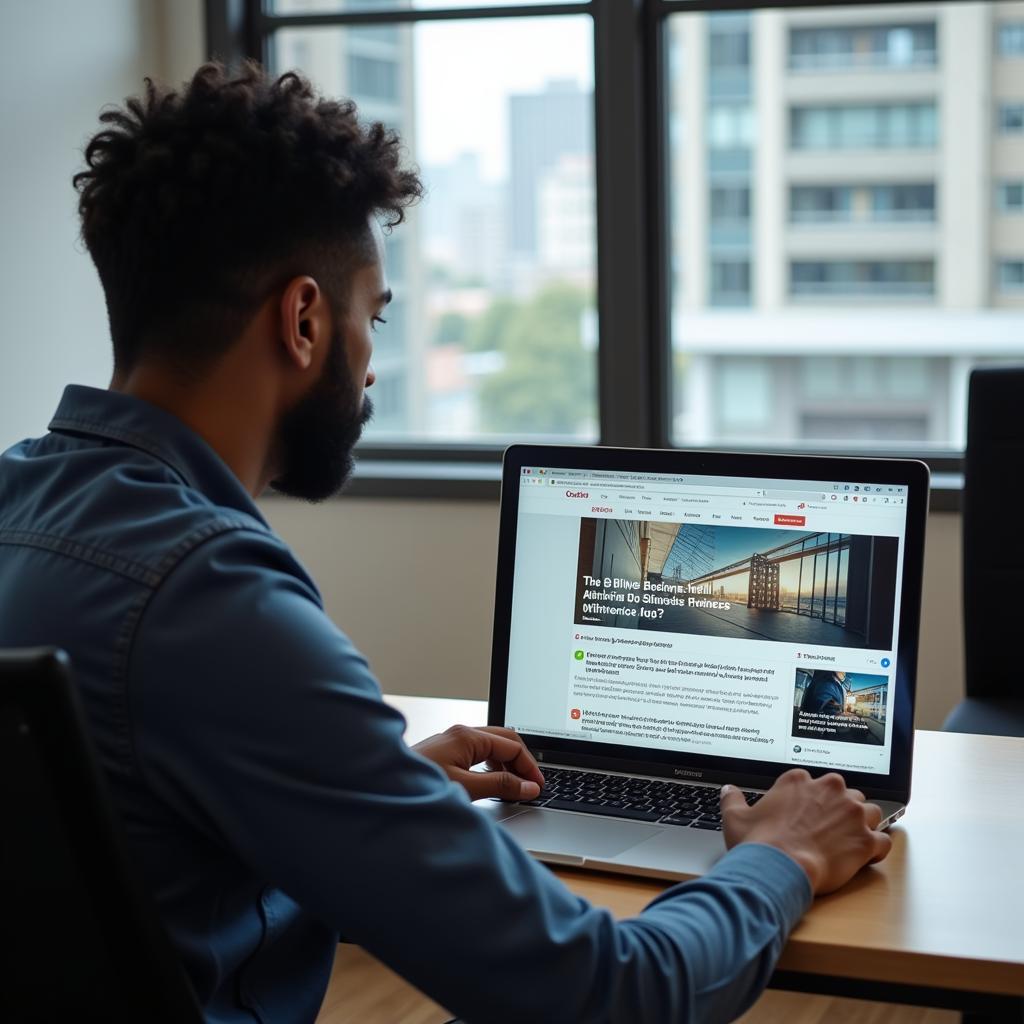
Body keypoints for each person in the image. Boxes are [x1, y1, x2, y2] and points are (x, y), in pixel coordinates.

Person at [0, 63, 891, 1024]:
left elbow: (133, 842)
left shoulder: (22, 502)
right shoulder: (210, 600)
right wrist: (783, 855)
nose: (374, 362)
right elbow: (607, 997)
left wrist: (371, 797)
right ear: (304, 319)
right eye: (373, 315)